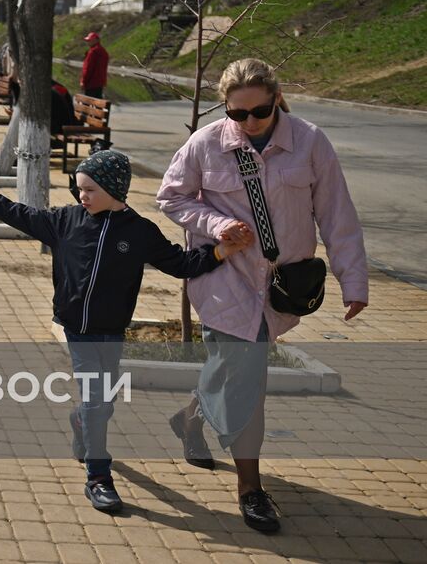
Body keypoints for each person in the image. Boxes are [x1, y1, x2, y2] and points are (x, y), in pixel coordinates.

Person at [0, 149, 252, 514]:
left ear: (114, 189)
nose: (81, 196)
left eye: (89, 189)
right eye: (79, 189)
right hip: (76, 329)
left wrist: (221, 252)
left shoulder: (139, 231)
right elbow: (22, 215)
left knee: (101, 405)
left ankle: (80, 422)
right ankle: (98, 478)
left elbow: (180, 264)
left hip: (112, 330)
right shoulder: (66, 220)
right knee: (96, 401)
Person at [156, 57, 368, 534]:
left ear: (276, 98)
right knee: (247, 378)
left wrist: (353, 281)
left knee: (234, 366)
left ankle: (189, 419)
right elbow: (171, 196)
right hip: (223, 280)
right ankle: (251, 489)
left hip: (278, 286)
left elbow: (337, 214)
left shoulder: (310, 141)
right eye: (237, 114)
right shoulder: (206, 143)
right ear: (225, 109)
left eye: (260, 111)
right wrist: (215, 225)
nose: (249, 123)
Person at [81, 32, 109, 99]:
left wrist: (83, 82)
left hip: (90, 84)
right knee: (98, 103)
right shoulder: (103, 51)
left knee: (87, 105)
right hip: (100, 83)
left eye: (89, 40)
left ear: (96, 40)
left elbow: (87, 69)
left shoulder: (92, 52)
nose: (88, 42)